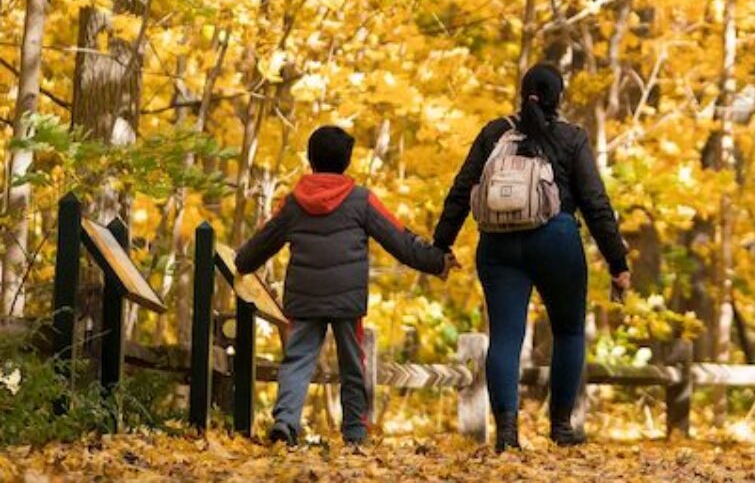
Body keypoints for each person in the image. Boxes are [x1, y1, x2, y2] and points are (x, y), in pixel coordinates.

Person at [433, 63, 631, 452]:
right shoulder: (571, 137)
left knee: (505, 336)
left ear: (523, 93)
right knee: (569, 331)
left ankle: (507, 434)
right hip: (555, 238)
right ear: (559, 97)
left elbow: (461, 190)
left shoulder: (494, 133)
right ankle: (561, 427)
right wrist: (617, 260)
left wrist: (441, 244)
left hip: (497, 244)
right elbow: (595, 203)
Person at [236, 125, 458, 447]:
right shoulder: (361, 200)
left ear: (311, 159)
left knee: (297, 361)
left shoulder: (294, 203)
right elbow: (399, 239)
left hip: (304, 296)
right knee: (353, 364)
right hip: (347, 299)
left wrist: (241, 262)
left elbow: (262, 242)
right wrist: (436, 262)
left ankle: (285, 422)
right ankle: (354, 432)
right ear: (347, 160)